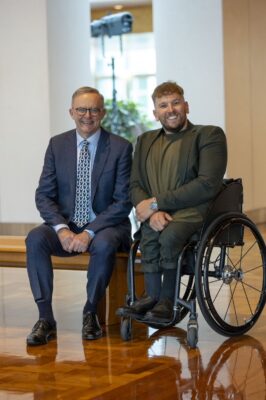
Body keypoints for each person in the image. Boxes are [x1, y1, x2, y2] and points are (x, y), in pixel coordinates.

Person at [26, 86, 133, 346]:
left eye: (94, 109)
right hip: (67, 223)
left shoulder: (120, 147)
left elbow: (123, 201)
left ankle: (90, 312)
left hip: (106, 225)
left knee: (105, 243)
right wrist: (62, 229)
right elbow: (44, 195)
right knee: (35, 238)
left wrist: (89, 232)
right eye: (82, 109)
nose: (88, 115)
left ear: (103, 113)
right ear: (71, 112)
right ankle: (45, 318)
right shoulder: (57, 145)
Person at [128, 81, 227, 322]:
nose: (170, 110)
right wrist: (152, 213)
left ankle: (167, 301)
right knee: (148, 235)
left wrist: (155, 204)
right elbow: (136, 184)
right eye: (163, 105)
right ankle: (151, 297)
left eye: (175, 103)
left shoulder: (208, 135)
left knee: (170, 235)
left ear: (186, 106)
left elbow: (207, 184)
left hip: (194, 209)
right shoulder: (145, 141)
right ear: (155, 113)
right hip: (158, 212)